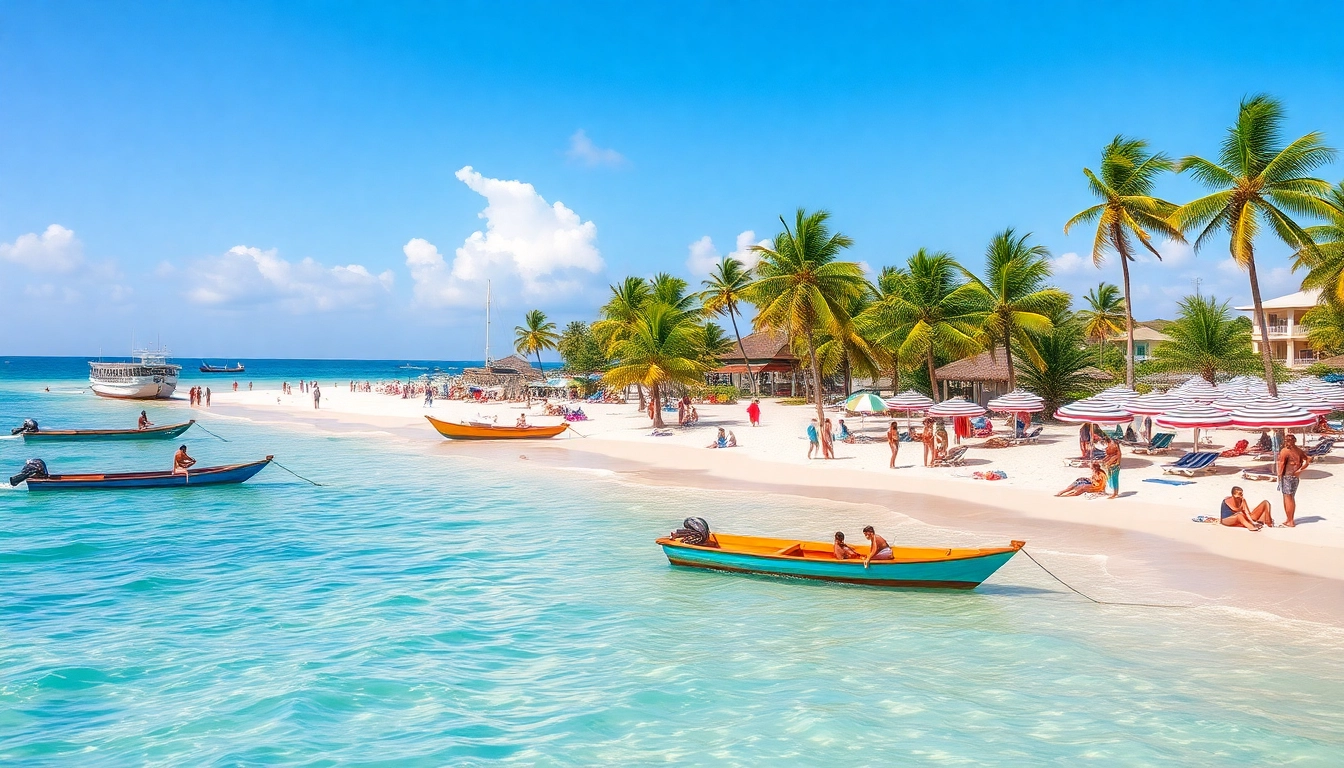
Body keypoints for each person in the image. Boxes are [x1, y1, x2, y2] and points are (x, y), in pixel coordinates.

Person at [1276, 433, 1311, 527]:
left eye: (1288, 440)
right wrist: (1300, 470)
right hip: (1295, 477)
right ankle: (1289, 519)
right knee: (1290, 497)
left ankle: (1290, 521)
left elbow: (1282, 464)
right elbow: (1308, 459)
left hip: (1287, 476)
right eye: (1286, 440)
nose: (1287, 442)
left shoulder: (1285, 451)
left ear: (1293, 441)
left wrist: (1279, 476)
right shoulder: (1298, 450)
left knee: (1288, 498)